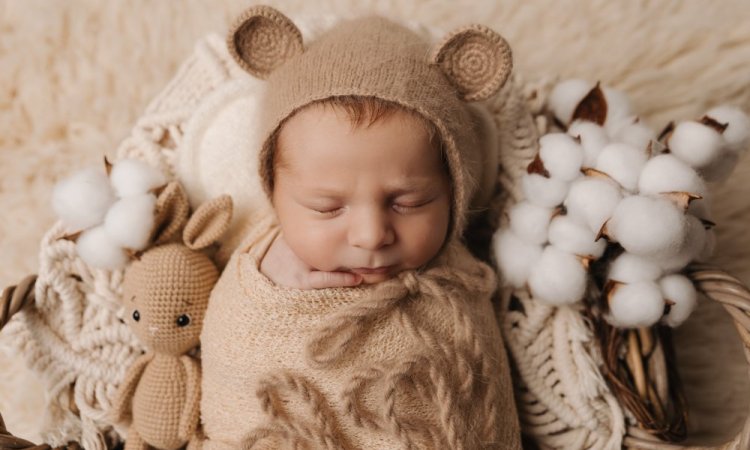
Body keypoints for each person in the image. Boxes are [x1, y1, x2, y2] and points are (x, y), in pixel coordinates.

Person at [200, 5, 522, 449]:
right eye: (327, 207)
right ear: (274, 198)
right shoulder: (255, 273)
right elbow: (234, 363)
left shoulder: (461, 287)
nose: (372, 235)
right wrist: (269, 290)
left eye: (408, 202)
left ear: (454, 193)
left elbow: (483, 416)